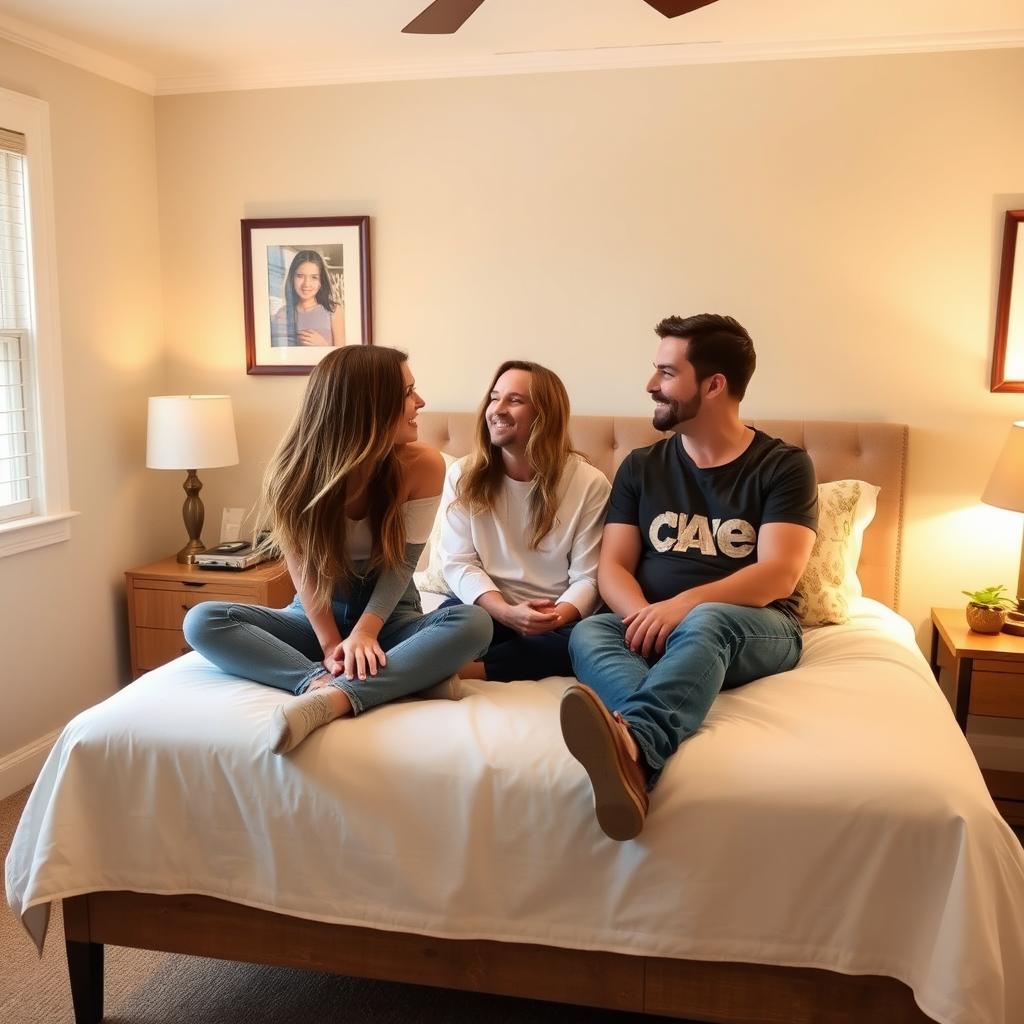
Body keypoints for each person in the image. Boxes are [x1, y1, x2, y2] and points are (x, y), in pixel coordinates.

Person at [562, 314, 818, 841]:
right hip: (650, 619)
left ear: (714, 384)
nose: (651, 385)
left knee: (709, 623)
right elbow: (612, 566)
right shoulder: (642, 466)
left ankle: (635, 741)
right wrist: (641, 618)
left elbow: (778, 574)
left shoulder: (783, 466)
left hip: (753, 625)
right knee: (591, 630)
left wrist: (682, 607)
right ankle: (631, 752)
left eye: (666, 372)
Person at [183, 346, 493, 755]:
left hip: (391, 619)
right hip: (317, 618)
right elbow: (305, 575)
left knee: (474, 623)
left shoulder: (424, 465)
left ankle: (334, 700)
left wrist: (365, 632)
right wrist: (331, 648)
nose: (420, 403)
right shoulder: (292, 473)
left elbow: (402, 566)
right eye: (408, 392)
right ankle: (322, 682)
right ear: (370, 405)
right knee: (202, 620)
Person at [438, 360, 611, 681]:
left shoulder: (589, 482)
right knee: (450, 621)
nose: (497, 409)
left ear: (545, 415)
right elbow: (458, 563)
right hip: (486, 610)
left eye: (514, 400)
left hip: (555, 618)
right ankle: (494, 663)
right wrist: (504, 611)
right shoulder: (462, 475)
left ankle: (467, 671)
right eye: (494, 398)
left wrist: (551, 620)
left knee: (591, 639)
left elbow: (588, 578)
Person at [270, 249, 345, 347]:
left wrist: (323, 346)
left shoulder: (334, 311)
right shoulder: (282, 313)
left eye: (314, 277)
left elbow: (342, 357)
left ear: (321, 282)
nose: (306, 284)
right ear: (292, 278)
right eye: (300, 276)